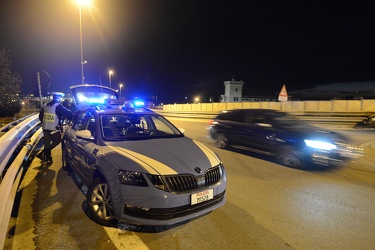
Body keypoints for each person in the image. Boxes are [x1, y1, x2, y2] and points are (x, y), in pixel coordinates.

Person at [37, 92, 73, 164]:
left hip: (45, 128)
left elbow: (40, 117)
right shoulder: (58, 106)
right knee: (57, 141)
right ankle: (43, 153)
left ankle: (48, 159)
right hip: (54, 128)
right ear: (59, 98)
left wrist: (45, 123)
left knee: (47, 144)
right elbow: (69, 114)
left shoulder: (45, 105)